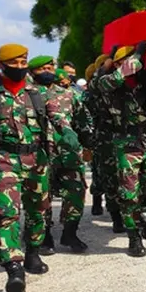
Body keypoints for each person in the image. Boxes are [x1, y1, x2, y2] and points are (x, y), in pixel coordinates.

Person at [0, 44, 72, 292]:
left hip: (35, 158)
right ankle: (13, 267)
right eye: (14, 63)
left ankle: (33, 253)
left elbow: (56, 115)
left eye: (23, 61)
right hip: (2, 158)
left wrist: (66, 131)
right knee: (6, 213)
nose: (20, 67)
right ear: (1, 65)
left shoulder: (37, 93)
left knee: (39, 211)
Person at [97, 43, 146, 257]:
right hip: (126, 142)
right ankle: (134, 236)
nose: (136, 63)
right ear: (120, 63)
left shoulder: (145, 84)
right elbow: (113, 79)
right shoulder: (106, 82)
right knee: (129, 195)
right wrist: (138, 53)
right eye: (130, 59)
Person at [30, 57, 93, 255]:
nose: (47, 71)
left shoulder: (68, 94)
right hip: (39, 155)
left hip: (68, 154)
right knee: (42, 196)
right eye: (42, 69)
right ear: (32, 72)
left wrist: (88, 143)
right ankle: (44, 236)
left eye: (50, 67)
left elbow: (83, 121)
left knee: (76, 191)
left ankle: (70, 232)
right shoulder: (27, 95)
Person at [84, 54, 125, 233]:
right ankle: (116, 216)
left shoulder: (123, 85)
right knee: (109, 178)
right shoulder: (96, 88)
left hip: (126, 136)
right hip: (105, 138)